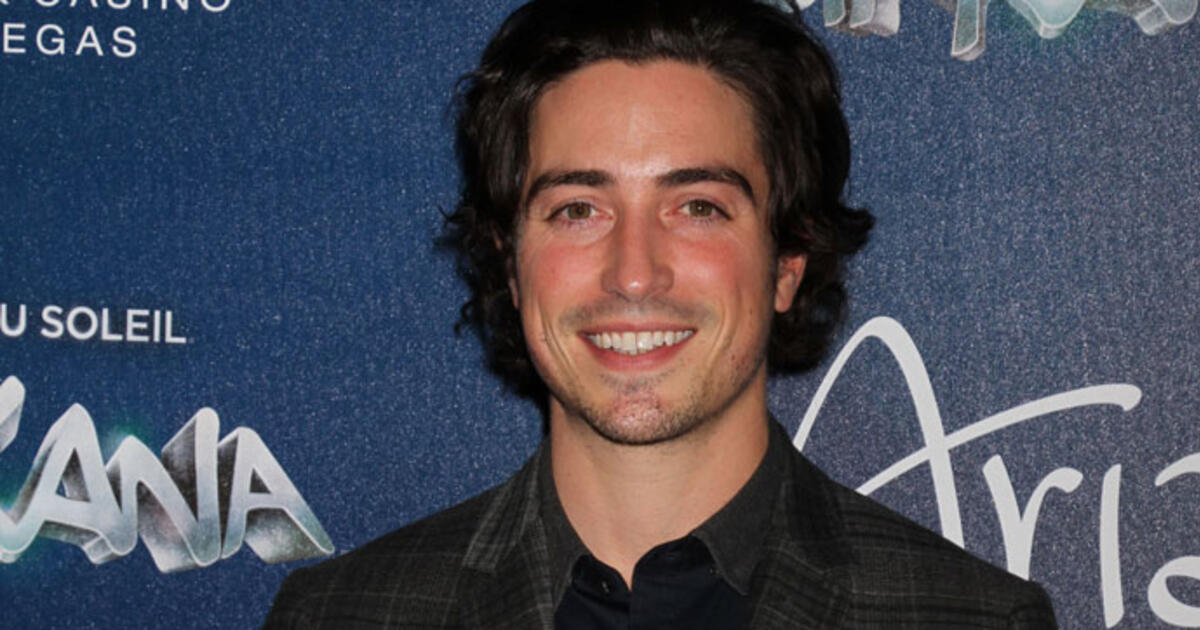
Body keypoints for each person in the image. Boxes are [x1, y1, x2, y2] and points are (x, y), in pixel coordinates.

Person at [265, 0, 1058, 627]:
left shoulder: (970, 618)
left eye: (698, 206)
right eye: (578, 209)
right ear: (511, 266)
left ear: (788, 262)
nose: (634, 272)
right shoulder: (342, 616)